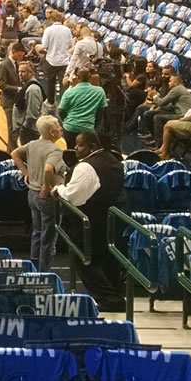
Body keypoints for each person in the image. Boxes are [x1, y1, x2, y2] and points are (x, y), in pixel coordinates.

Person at [52, 129, 125, 310]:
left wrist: (58, 190)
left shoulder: (86, 167)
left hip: (89, 222)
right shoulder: (113, 160)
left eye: (80, 144)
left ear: (93, 146)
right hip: (111, 217)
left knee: (85, 260)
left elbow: (73, 196)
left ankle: (109, 299)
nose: (75, 147)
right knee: (108, 260)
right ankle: (116, 296)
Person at [13, 115, 66, 272]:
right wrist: (47, 185)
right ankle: (44, 273)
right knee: (48, 238)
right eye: (58, 125)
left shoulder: (32, 144)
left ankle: (34, 269)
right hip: (46, 198)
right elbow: (49, 168)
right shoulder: (55, 149)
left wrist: (25, 172)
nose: (60, 128)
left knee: (37, 233)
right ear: (51, 132)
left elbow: (15, 153)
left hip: (32, 195)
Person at [56, 70, 106, 147]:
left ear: (78, 78)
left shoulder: (68, 92)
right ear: (90, 77)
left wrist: (66, 121)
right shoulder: (100, 91)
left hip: (70, 128)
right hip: (88, 128)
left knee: (71, 151)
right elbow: (101, 111)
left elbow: (60, 111)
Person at [39, 11, 73, 102]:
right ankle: (64, 103)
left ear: (51, 19)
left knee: (50, 83)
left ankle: (50, 102)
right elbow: (70, 44)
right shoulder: (67, 30)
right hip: (64, 61)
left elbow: (45, 45)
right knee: (64, 85)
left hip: (51, 60)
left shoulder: (48, 30)